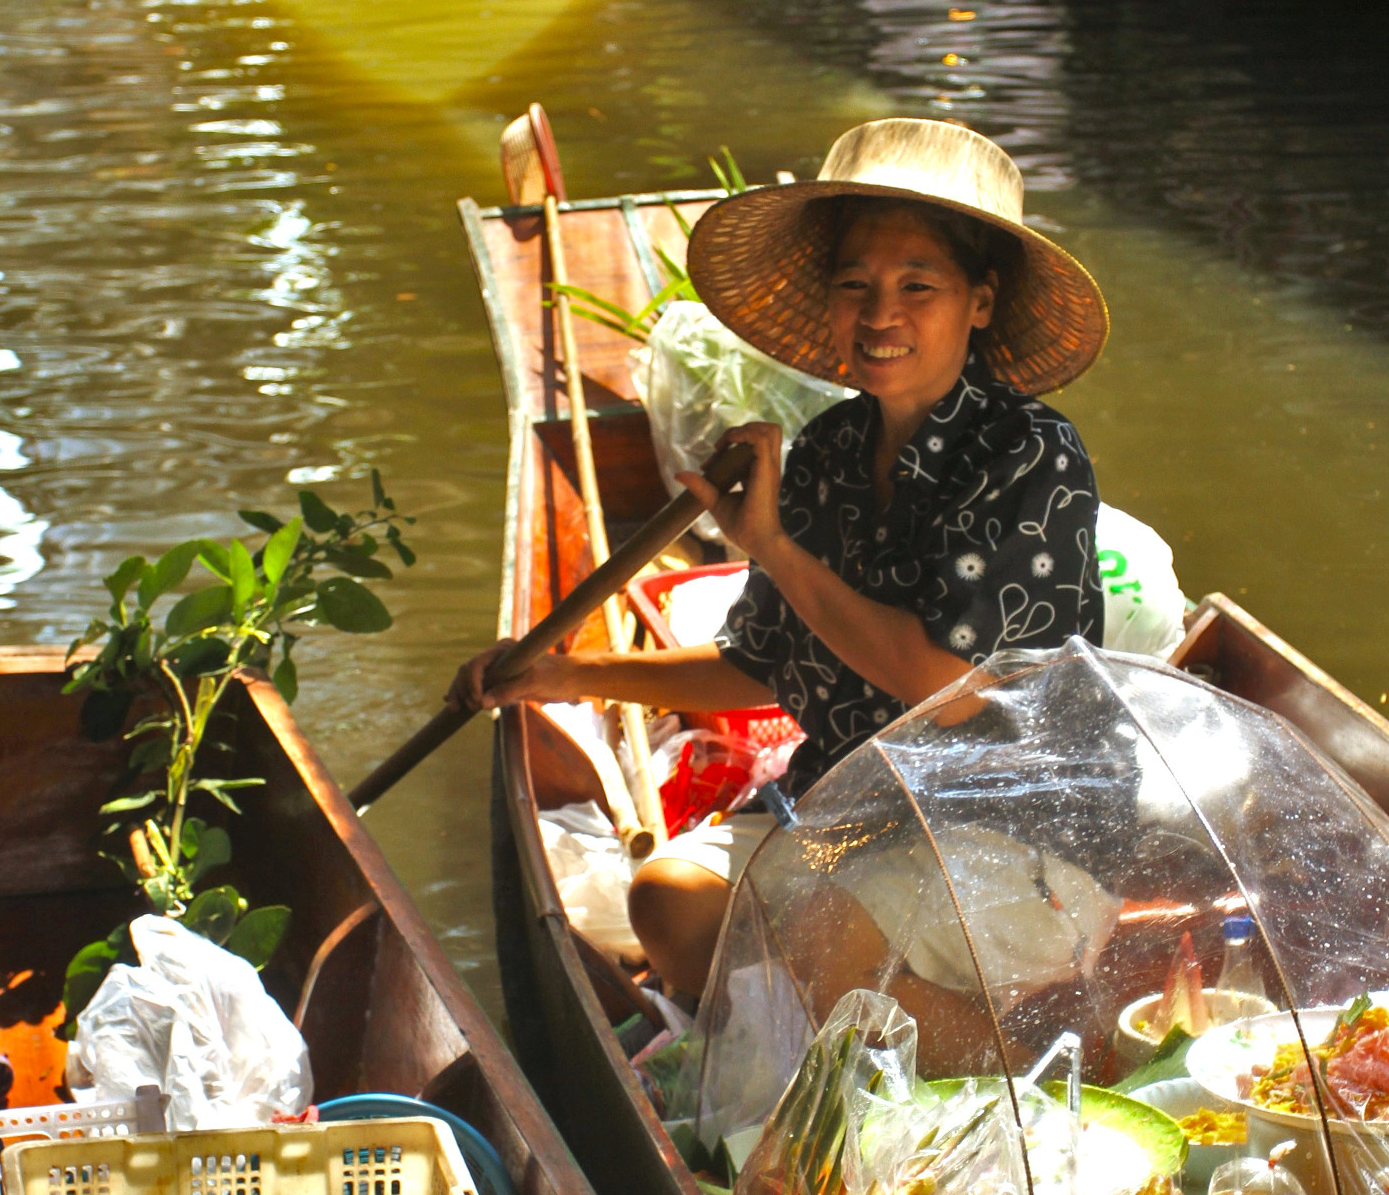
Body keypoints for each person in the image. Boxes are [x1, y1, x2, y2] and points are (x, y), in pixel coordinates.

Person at [451, 118, 1110, 1001]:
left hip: (1006, 836)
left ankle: (835, 1076)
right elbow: (757, 665)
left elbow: (942, 686)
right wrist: (554, 675)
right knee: (670, 900)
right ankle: (768, 1064)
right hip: (854, 822)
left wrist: (769, 545)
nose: (881, 315)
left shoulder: (1030, 452)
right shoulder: (829, 449)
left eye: (919, 285)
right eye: (856, 284)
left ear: (978, 302)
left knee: (822, 930)